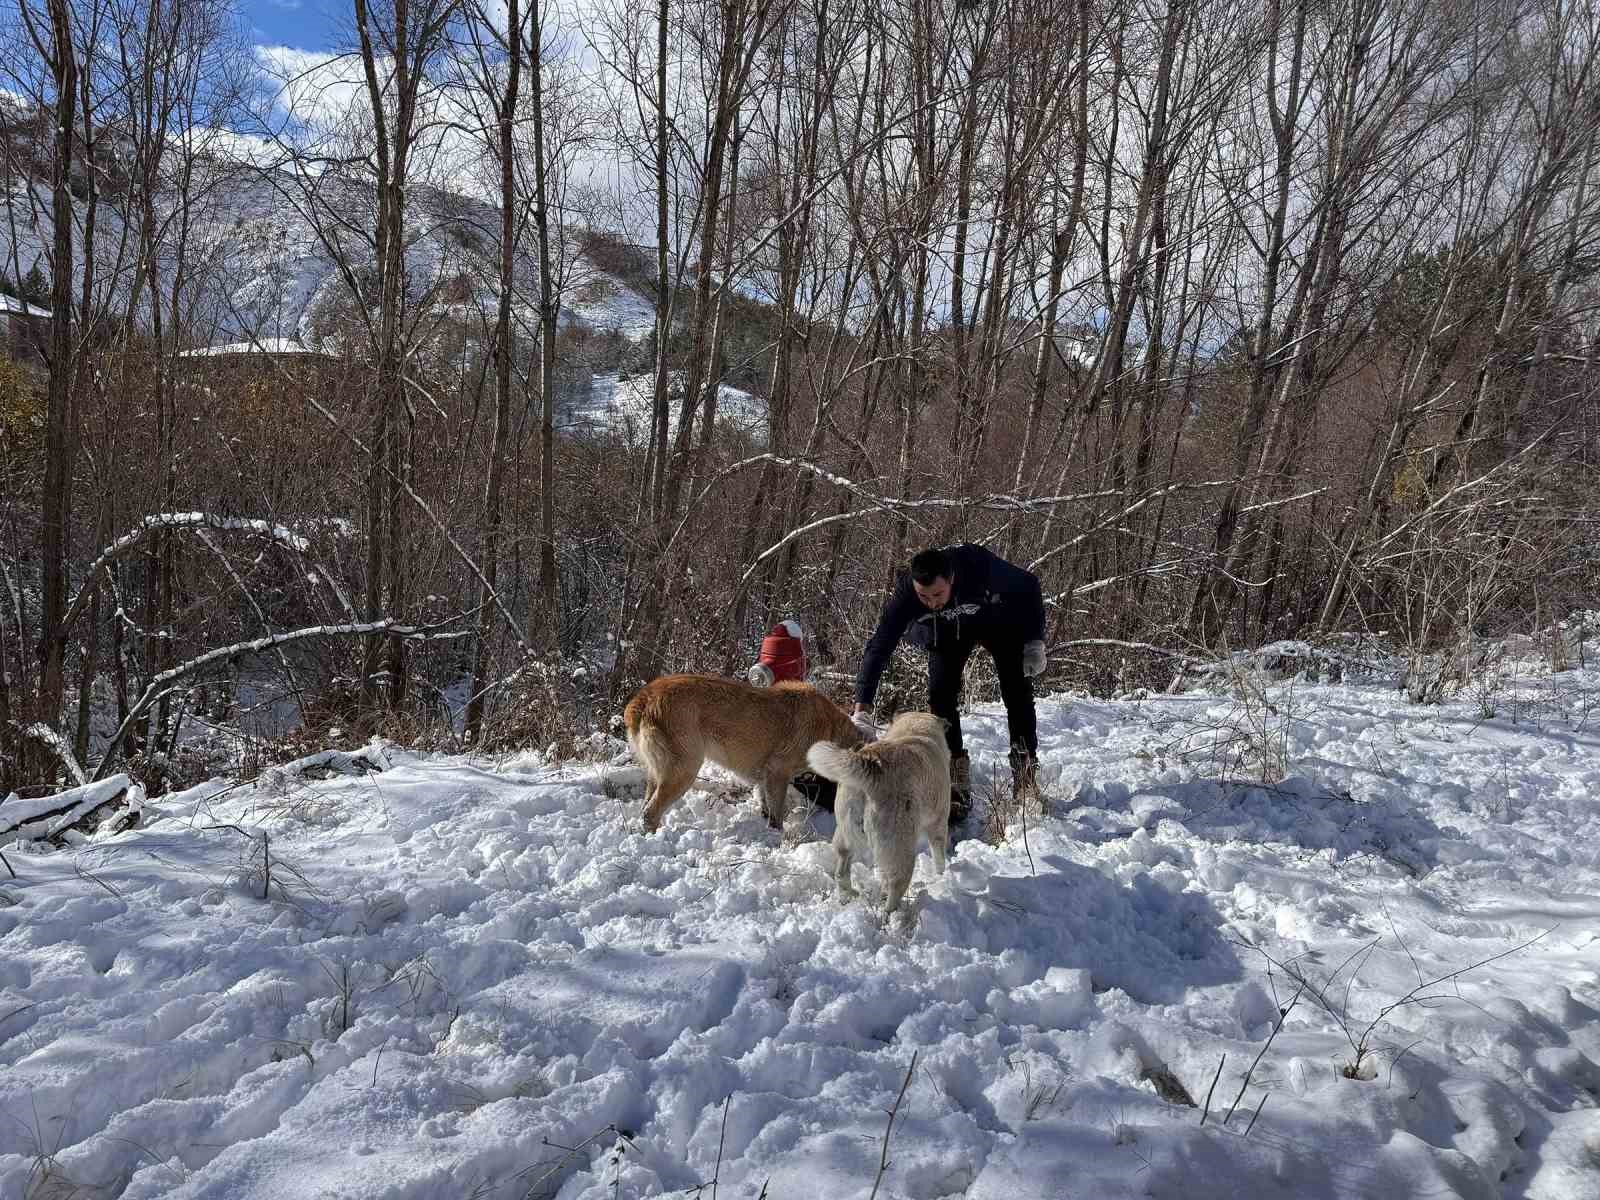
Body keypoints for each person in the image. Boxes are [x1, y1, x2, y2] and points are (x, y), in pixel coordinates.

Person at [852, 544, 1048, 821]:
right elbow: (879, 646)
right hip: (944, 633)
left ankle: (1024, 771)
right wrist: (862, 709)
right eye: (924, 596)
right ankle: (956, 774)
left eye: (937, 594)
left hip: (997, 621)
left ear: (952, 579)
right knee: (940, 697)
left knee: (1017, 691)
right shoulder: (907, 592)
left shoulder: (978, 565)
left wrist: (1035, 640)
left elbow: (1030, 584)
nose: (931, 602)